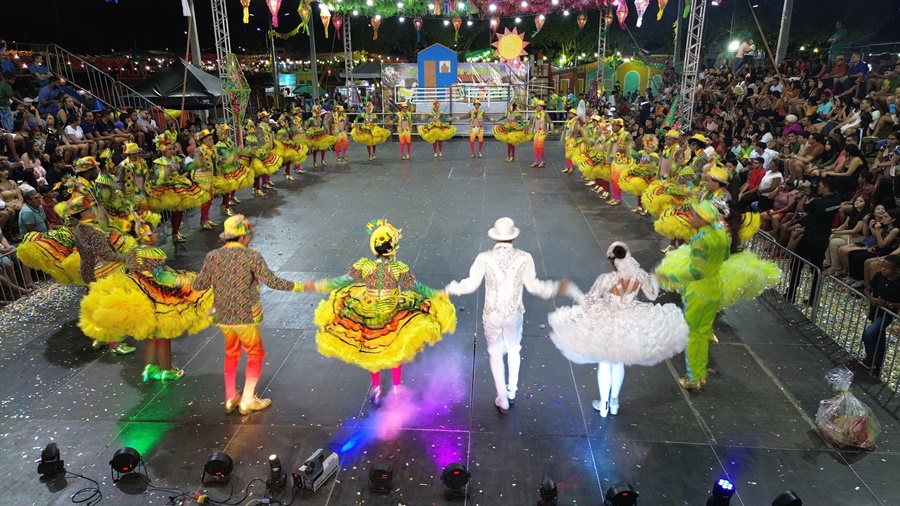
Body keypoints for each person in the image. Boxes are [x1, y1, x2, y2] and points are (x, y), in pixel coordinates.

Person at [309, 220, 456, 406]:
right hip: (392, 313)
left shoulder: (364, 266)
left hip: (367, 312)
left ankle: (376, 388)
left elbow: (342, 281)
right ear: (392, 248)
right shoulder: (397, 269)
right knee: (395, 347)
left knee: (372, 351)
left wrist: (322, 284)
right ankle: (396, 388)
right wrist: (438, 294)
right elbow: (417, 287)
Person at [547, 242, 688, 417]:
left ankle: (604, 405)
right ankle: (614, 402)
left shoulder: (605, 279)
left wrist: (570, 290)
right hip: (630, 317)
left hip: (606, 319)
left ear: (611, 261)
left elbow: (587, 302)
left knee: (606, 362)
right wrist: (654, 279)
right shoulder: (639, 276)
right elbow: (652, 295)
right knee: (619, 362)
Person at [445, 218, 568, 414]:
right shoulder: (525, 257)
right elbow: (534, 286)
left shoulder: (484, 257)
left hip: (492, 312)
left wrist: (451, 289)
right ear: (513, 237)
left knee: (495, 352)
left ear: (495, 238)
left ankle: (501, 397)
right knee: (513, 349)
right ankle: (512, 392)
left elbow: (470, 284)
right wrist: (554, 288)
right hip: (513, 312)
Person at [191, 215, 307, 415]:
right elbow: (272, 282)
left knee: (231, 352)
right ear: (243, 237)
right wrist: (297, 286)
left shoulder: (213, 256)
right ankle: (247, 399)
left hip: (223, 315)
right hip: (246, 316)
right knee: (254, 354)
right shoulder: (251, 257)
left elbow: (198, 284)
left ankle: (230, 396)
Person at [79, 219, 213, 382]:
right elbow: (161, 276)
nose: (157, 234)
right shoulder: (151, 253)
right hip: (156, 295)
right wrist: (184, 281)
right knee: (163, 334)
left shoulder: (133, 251)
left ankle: (151, 367)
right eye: (154, 232)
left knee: (151, 335)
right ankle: (167, 370)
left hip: (140, 292)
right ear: (146, 236)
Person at [655, 200, 730, 392]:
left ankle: (694, 378)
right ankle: (701, 376)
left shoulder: (701, 240)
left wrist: (670, 276)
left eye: (694, 215)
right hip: (714, 290)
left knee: (692, 335)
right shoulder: (721, 234)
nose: (690, 217)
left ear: (703, 219)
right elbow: (726, 257)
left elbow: (696, 272)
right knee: (703, 333)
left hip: (698, 292)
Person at [67, 193, 137, 356]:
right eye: (90, 208)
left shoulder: (79, 228)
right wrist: (126, 258)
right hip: (104, 272)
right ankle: (115, 343)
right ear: (82, 213)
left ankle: (101, 336)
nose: (93, 209)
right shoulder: (93, 230)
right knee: (112, 306)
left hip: (88, 271)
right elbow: (106, 254)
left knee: (97, 305)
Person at [786, 177, 842, 303]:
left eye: (820, 185)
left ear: (827, 187)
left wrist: (806, 194)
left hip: (809, 239)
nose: (818, 187)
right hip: (822, 239)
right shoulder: (837, 199)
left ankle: (791, 294)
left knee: (796, 265)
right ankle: (814, 298)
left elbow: (801, 208)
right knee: (816, 269)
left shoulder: (818, 203)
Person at [861, 255, 900, 377]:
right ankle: (877, 366)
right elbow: (867, 289)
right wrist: (871, 299)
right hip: (875, 311)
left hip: (886, 315)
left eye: (887, 267)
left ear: (897, 269)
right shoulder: (879, 276)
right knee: (879, 339)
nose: (883, 269)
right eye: (882, 266)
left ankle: (871, 359)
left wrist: (888, 304)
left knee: (868, 335)